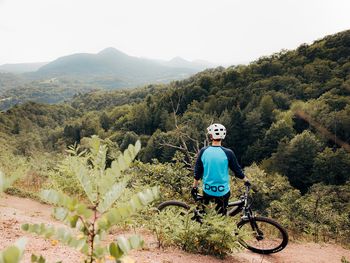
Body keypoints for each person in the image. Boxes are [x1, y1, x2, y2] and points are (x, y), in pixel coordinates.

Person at [191, 123, 250, 215]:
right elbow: (237, 172)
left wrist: (194, 187)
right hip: (223, 192)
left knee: (207, 215)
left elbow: (197, 172)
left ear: (211, 136)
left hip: (207, 190)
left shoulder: (204, 151)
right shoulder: (228, 153)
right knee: (221, 217)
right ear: (223, 137)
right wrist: (246, 180)